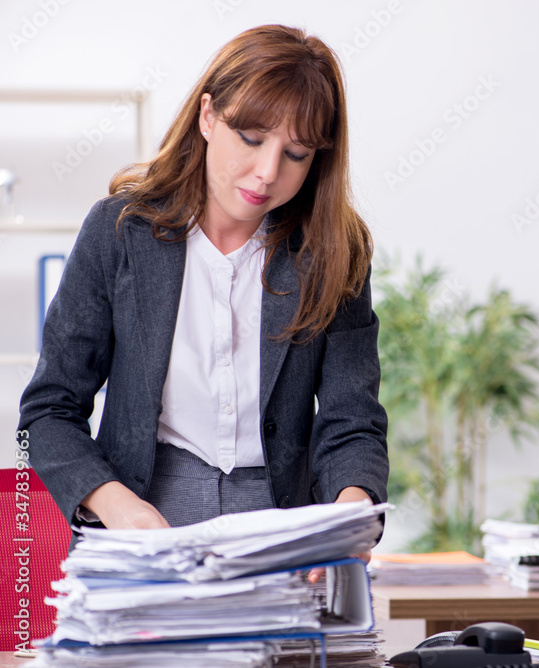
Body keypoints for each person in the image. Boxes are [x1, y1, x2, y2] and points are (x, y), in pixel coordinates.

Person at [18, 25, 389, 557]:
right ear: (208, 115)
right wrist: (115, 505)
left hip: (284, 525)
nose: (267, 173)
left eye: (296, 154)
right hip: (142, 513)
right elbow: (49, 411)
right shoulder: (119, 231)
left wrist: (348, 517)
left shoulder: (335, 251)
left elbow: (351, 421)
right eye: (252, 139)